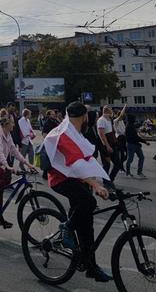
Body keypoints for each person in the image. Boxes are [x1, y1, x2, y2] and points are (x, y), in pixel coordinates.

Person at [43, 101, 112, 283]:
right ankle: (66, 228)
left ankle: (91, 267)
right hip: (61, 180)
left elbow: (87, 159)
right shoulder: (65, 134)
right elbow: (76, 163)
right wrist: (96, 185)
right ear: (84, 117)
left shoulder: (76, 133)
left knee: (86, 225)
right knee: (88, 202)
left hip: (76, 179)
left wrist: (99, 180)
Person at [0, 115, 37, 228]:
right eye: (12, 123)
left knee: (0, 189)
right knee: (2, 181)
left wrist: (27, 164)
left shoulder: (7, 134)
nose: (14, 125)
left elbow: (14, 151)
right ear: (6, 124)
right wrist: (7, 166)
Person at [97, 106, 121, 182]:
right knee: (107, 165)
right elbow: (101, 134)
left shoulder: (109, 119)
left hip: (113, 144)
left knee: (118, 164)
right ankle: (106, 182)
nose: (112, 111)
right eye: (111, 110)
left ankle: (110, 180)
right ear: (107, 111)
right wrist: (107, 146)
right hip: (106, 146)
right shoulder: (101, 120)